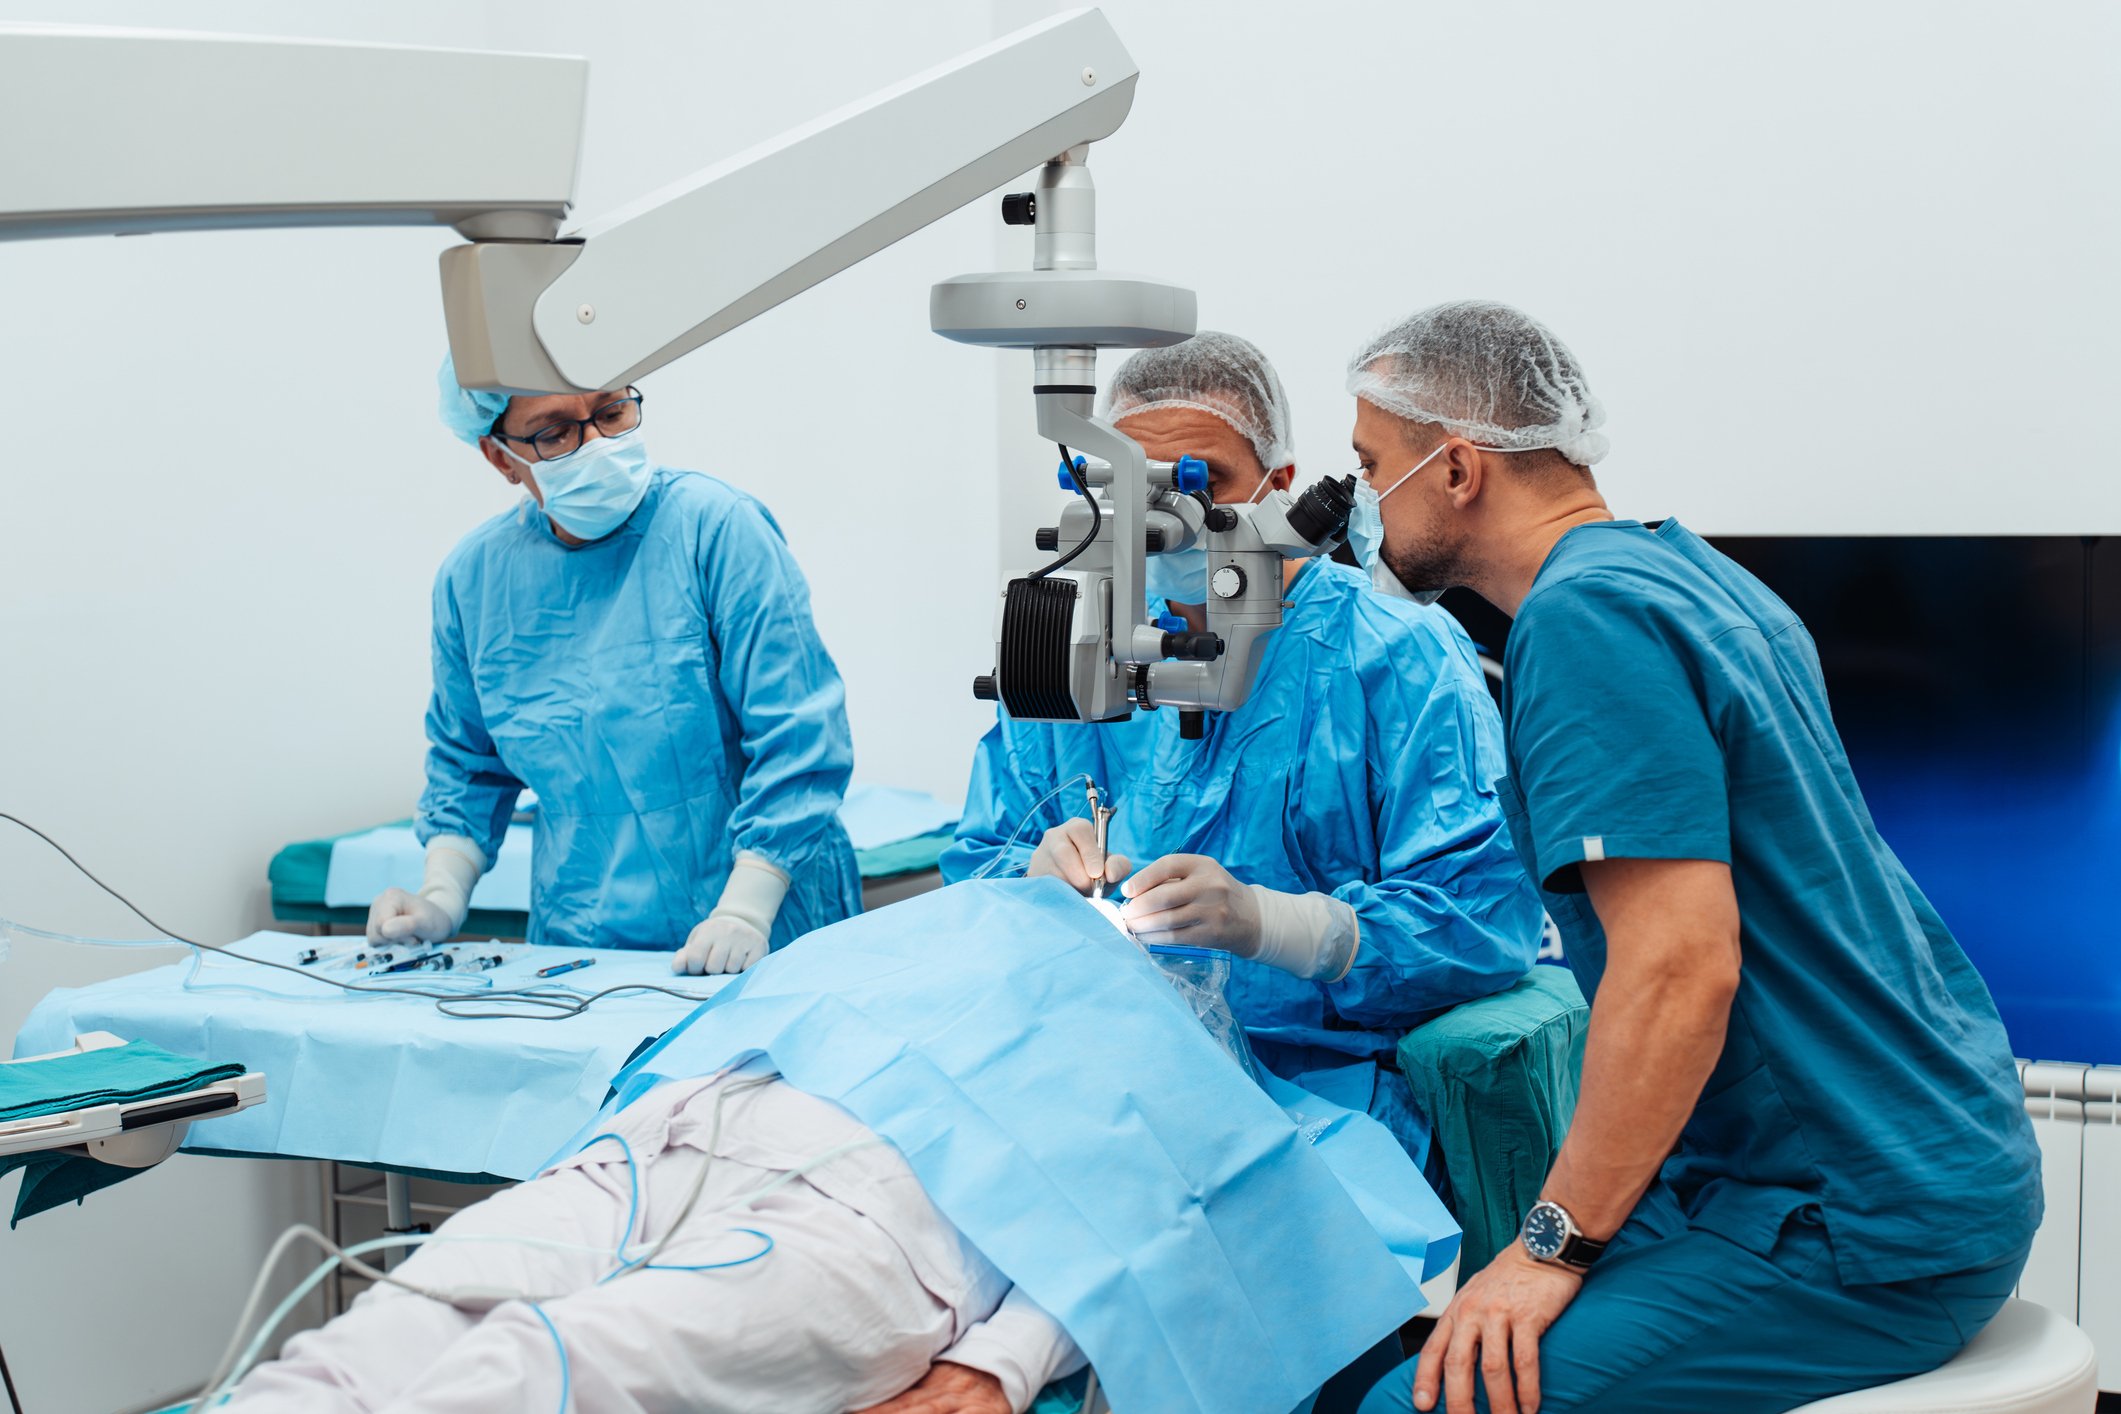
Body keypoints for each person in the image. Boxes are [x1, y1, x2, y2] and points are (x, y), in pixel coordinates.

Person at [1343, 301, 2043, 1414]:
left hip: (1852, 1222)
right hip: (1929, 1150)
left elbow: (1681, 969)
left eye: (1371, 465)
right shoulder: (1690, 574)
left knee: (1416, 1403)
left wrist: (1549, 1247)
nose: (1361, 506)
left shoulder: (1581, 624)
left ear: (1459, 467)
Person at [225, 880, 1455, 1414]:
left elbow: (1176, 1240)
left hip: (866, 1229)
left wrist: (1003, 1365)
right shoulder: (972, 934)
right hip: (665, 1140)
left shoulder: (1199, 1071)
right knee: (376, 1335)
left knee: (557, 1367)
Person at [943, 331, 1546, 1173]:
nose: (1163, 522)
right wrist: (1025, 884)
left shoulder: (1395, 656)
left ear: (1281, 486)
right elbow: (974, 859)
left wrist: (1281, 927)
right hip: (1088, 1074)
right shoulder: (1071, 639)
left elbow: (1486, 919)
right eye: (1130, 488)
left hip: (1313, 1098)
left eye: (1200, 486)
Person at [364, 359, 861, 974]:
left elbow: (800, 736)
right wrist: (440, 896)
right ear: (500, 458)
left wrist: (747, 909)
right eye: (556, 432)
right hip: (582, 936)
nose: (595, 444)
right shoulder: (475, 580)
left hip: (771, 926)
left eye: (610, 411)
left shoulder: (716, 529)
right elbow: (468, 766)